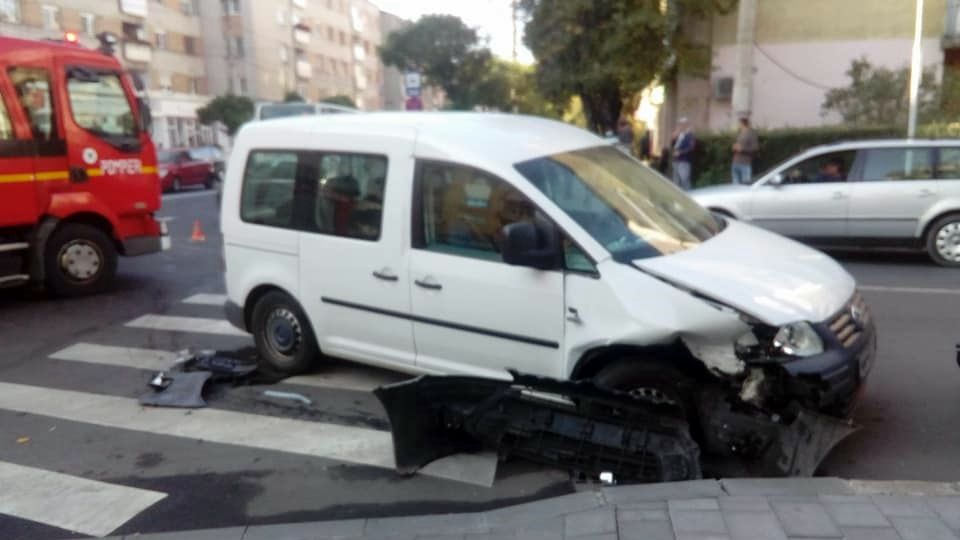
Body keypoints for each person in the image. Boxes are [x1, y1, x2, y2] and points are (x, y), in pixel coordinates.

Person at [731, 117, 759, 184]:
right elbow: (738, 147)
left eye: (739, 124)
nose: (738, 125)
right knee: (735, 186)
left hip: (745, 164)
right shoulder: (740, 133)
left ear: (742, 124)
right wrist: (734, 148)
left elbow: (755, 149)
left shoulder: (751, 134)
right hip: (735, 163)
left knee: (745, 186)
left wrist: (742, 150)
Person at [671, 118, 695, 190]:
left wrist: (680, 153)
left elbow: (691, 148)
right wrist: (673, 138)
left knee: (684, 180)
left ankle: (688, 196)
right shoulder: (680, 135)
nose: (680, 126)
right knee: (676, 181)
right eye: (679, 124)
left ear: (686, 125)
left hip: (684, 161)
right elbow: (674, 146)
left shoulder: (690, 135)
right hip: (676, 161)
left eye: (682, 124)